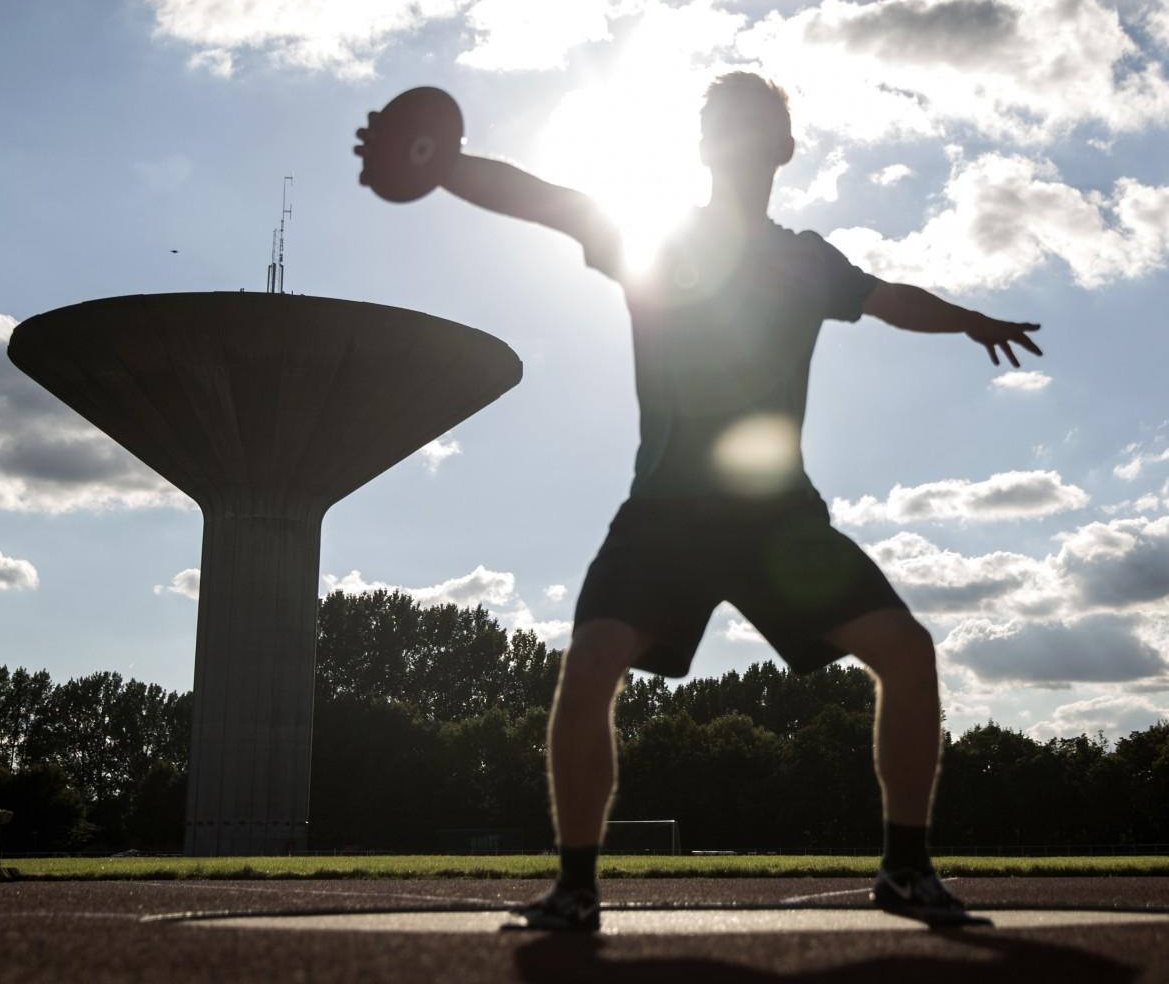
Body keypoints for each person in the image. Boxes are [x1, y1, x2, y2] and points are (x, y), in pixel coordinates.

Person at [436, 72, 1042, 930]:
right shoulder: (652, 235)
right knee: (590, 663)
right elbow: (547, 199)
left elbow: (886, 298)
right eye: (721, 122)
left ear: (784, 147)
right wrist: (446, 163)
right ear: (702, 145)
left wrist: (969, 318)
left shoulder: (806, 259)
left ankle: (906, 870)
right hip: (665, 515)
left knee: (908, 653)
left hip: (775, 519)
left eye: (754, 123)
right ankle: (574, 886)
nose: (737, 135)